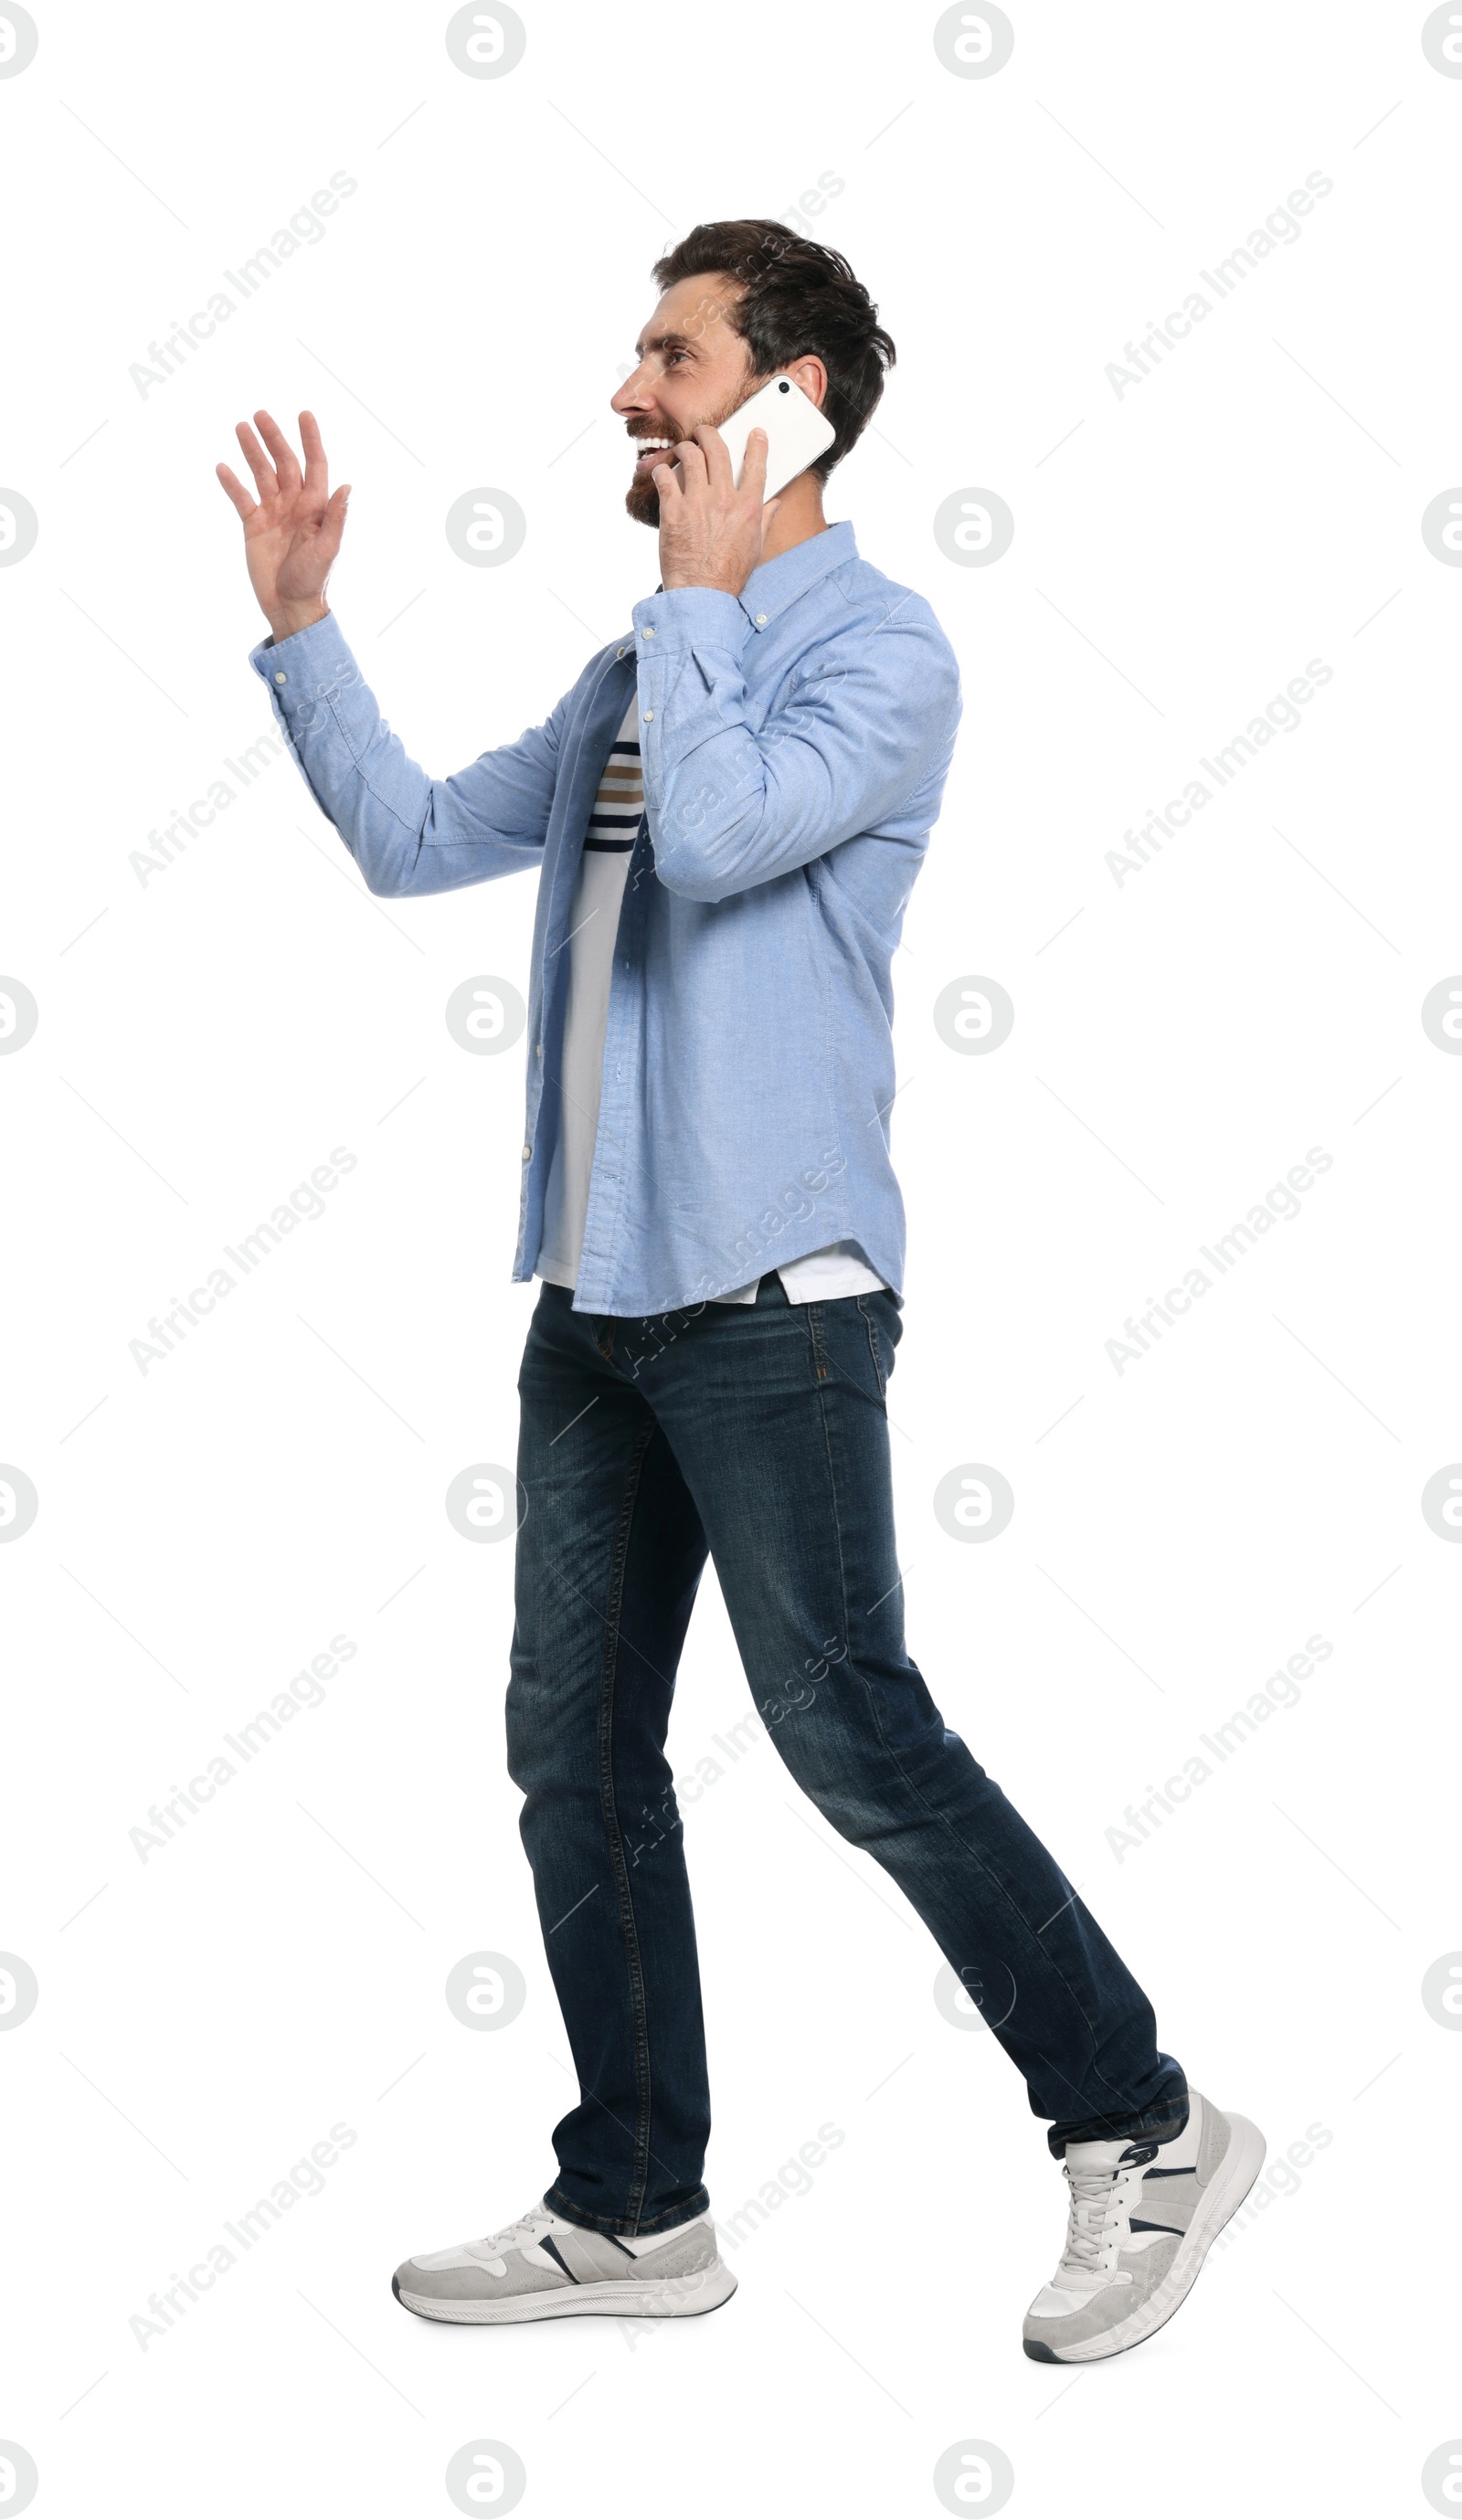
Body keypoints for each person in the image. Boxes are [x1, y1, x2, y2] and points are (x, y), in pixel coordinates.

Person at [217, 220, 1262, 2363]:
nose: (625, 393)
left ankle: (1143, 2121)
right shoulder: (637, 663)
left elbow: (709, 845)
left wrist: (697, 609)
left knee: (847, 1728)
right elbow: (418, 839)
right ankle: (632, 2201)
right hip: (600, 1304)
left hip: (777, 1301)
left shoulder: (876, 655)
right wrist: (305, 628)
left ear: (786, 402)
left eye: (669, 360)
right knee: (572, 1750)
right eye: (636, 354)